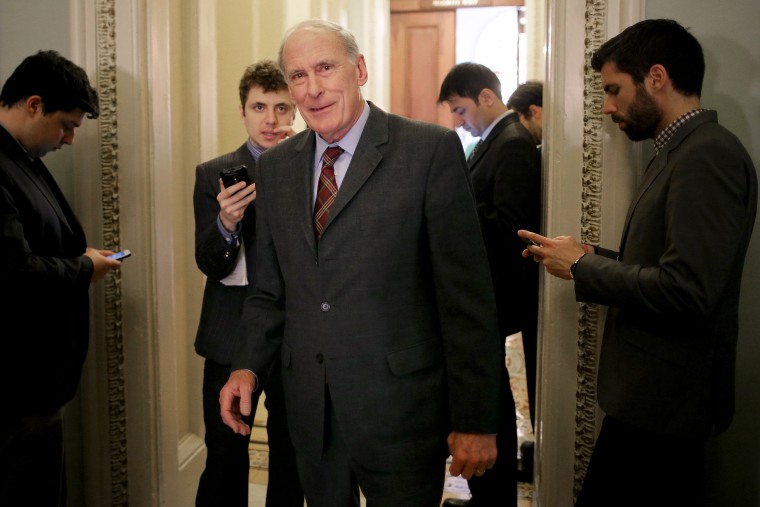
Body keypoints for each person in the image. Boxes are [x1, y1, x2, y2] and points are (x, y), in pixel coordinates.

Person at [219, 20, 502, 507]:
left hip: (401, 411)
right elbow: (270, 291)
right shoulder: (277, 167)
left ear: (360, 69)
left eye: (325, 68)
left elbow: (466, 300)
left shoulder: (428, 151)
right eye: (298, 76)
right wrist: (246, 366)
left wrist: (475, 419)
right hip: (311, 410)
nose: (312, 89)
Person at [519, 19, 757, 507]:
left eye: (613, 90)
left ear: (656, 77)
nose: (607, 107)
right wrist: (587, 256)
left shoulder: (707, 154)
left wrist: (584, 270)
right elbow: (665, 266)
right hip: (653, 403)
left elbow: (687, 290)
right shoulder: (677, 152)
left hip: (668, 405)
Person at [0, 50, 122, 504]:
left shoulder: (22, 158)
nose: (69, 139)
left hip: (39, 384)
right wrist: (86, 267)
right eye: (66, 125)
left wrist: (82, 255)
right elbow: (13, 274)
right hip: (15, 388)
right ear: (34, 105)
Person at [193, 60, 303, 506]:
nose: (271, 120)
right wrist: (226, 221)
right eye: (260, 107)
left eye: (281, 108)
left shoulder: (312, 166)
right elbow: (210, 264)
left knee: (291, 457)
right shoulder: (212, 172)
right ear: (243, 111)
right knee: (224, 455)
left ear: (295, 111)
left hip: (295, 334)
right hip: (230, 334)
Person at [438, 67, 543, 506]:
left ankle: (493, 492)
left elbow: (510, 228)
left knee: (488, 389)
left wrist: (450, 209)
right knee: (486, 383)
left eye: (461, 110)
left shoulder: (514, 144)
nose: (460, 121)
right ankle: (488, 491)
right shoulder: (495, 142)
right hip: (483, 289)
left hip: (496, 288)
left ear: (486, 97)